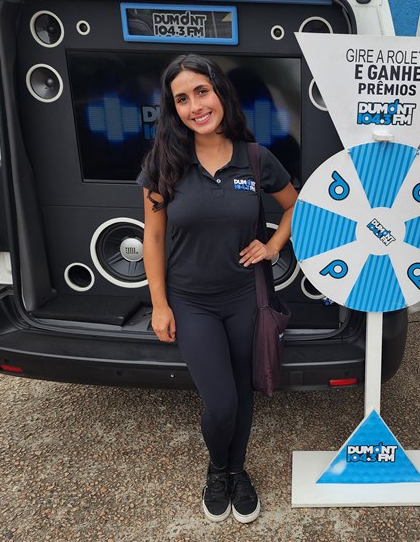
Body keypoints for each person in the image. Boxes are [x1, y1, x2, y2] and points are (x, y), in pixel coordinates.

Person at [138, 54, 298, 524]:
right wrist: (159, 304)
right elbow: (152, 238)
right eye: (182, 99)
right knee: (221, 401)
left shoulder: (256, 158)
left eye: (201, 92)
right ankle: (217, 468)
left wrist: (272, 246)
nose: (195, 106)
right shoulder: (164, 163)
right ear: (173, 109)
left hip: (245, 296)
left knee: (243, 395)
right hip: (191, 302)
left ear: (220, 94)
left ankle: (236, 471)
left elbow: (298, 205)